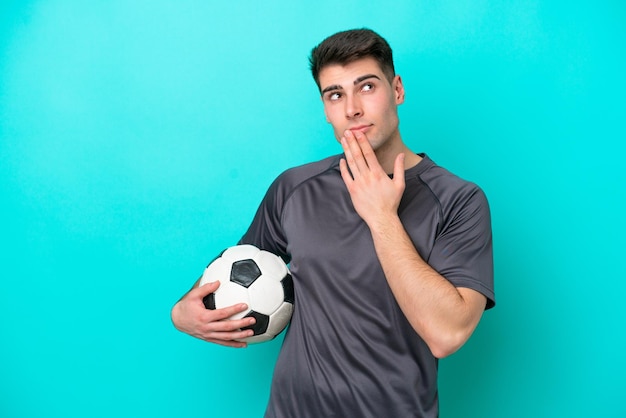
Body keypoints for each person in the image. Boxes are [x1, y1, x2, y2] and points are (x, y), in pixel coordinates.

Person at [171, 28, 495, 418]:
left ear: (397, 90)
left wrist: (382, 217)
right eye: (335, 94)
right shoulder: (294, 188)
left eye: (367, 87)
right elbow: (235, 274)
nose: (352, 108)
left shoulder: (459, 200)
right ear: (325, 109)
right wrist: (183, 313)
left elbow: (447, 334)